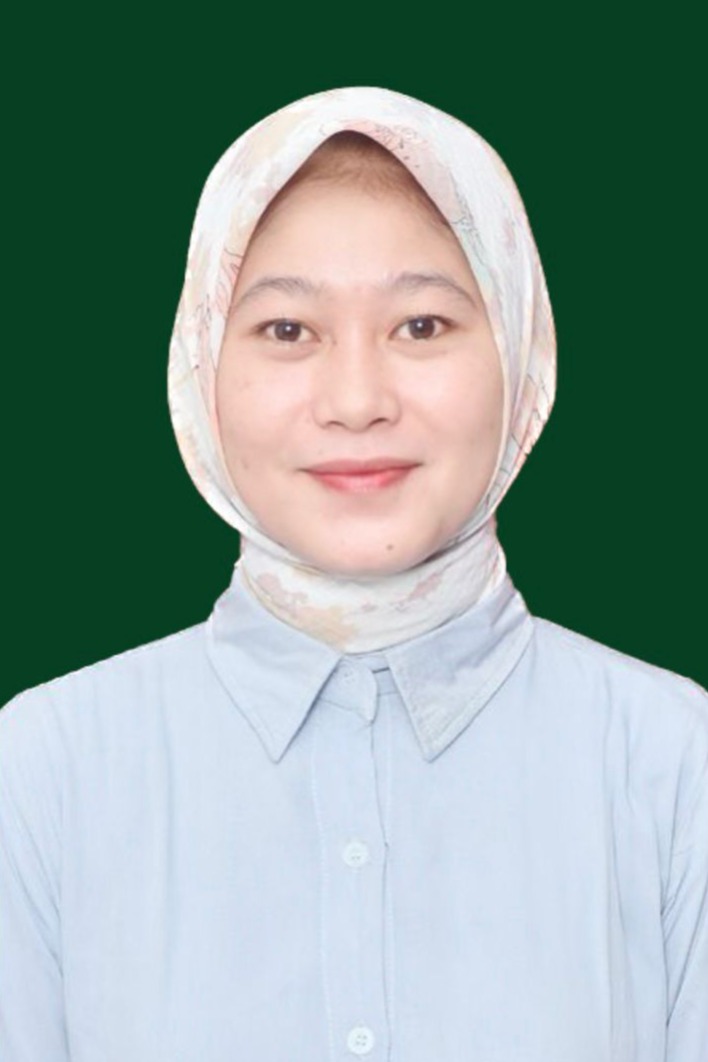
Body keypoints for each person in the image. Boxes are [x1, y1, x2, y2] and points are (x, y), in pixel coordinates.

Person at [0, 87, 706, 1061]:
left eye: (422, 326)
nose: (357, 399)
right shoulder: (42, 770)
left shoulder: (676, 763)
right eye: (288, 331)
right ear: (201, 366)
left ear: (518, 353)